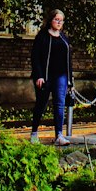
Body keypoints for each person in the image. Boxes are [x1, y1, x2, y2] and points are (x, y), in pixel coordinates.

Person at [30, 8, 72, 145]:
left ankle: (59, 135)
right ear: (51, 20)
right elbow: (35, 57)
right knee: (41, 104)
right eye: (56, 19)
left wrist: (70, 80)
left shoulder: (63, 38)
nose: (59, 22)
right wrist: (39, 76)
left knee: (59, 104)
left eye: (61, 20)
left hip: (61, 76)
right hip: (46, 76)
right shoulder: (42, 36)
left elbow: (68, 60)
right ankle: (34, 132)